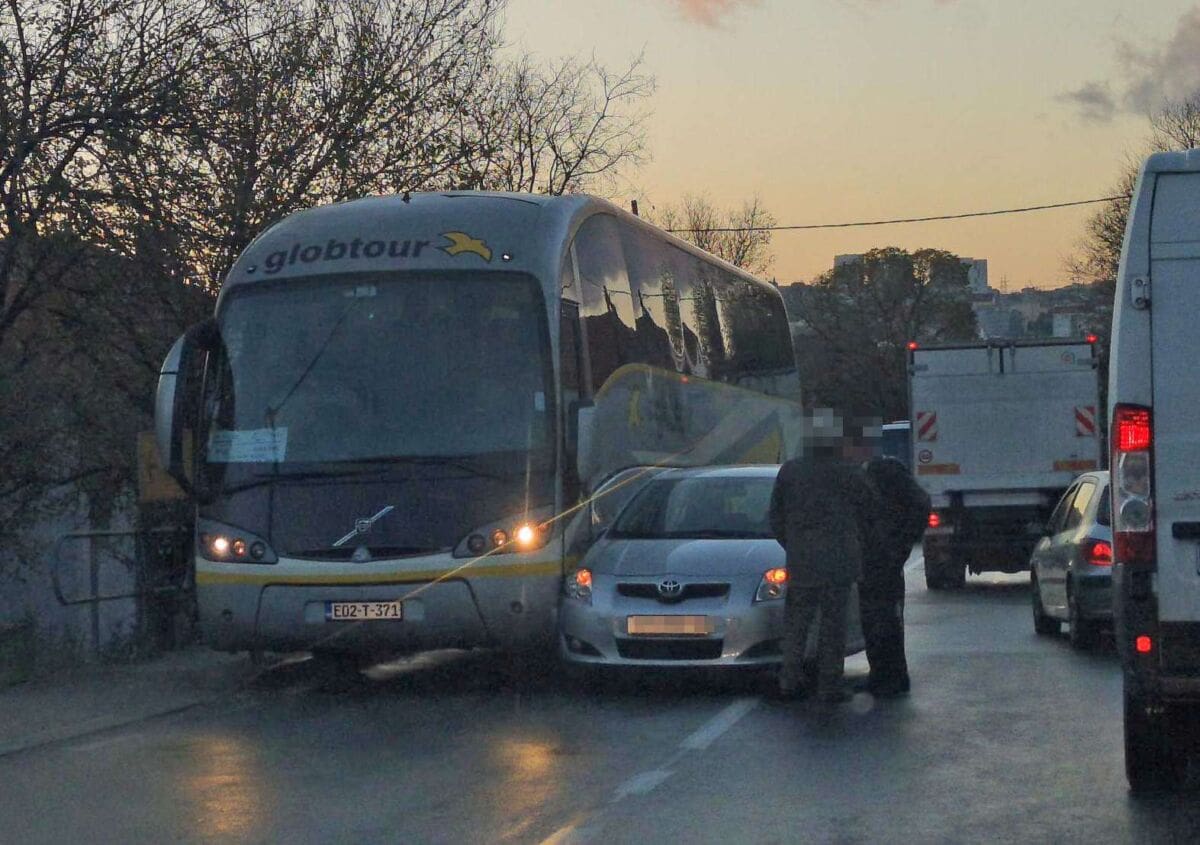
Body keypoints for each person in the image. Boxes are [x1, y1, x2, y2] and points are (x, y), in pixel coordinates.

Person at [769, 412, 878, 703]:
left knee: (797, 623)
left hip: (802, 561)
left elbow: (775, 517)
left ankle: (789, 680)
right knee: (833, 626)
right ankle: (829, 685)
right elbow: (871, 509)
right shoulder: (849, 471)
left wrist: (793, 544)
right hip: (840, 562)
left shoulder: (790, 472)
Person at [860, 455, 931, 696]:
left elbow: (920, 502)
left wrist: (901, 542)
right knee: (874, 620)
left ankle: (892, 677)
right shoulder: (853, 471)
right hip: (867, 558)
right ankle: (882, 674)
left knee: (885, 618)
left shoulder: (883, 469)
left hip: (882, 560)